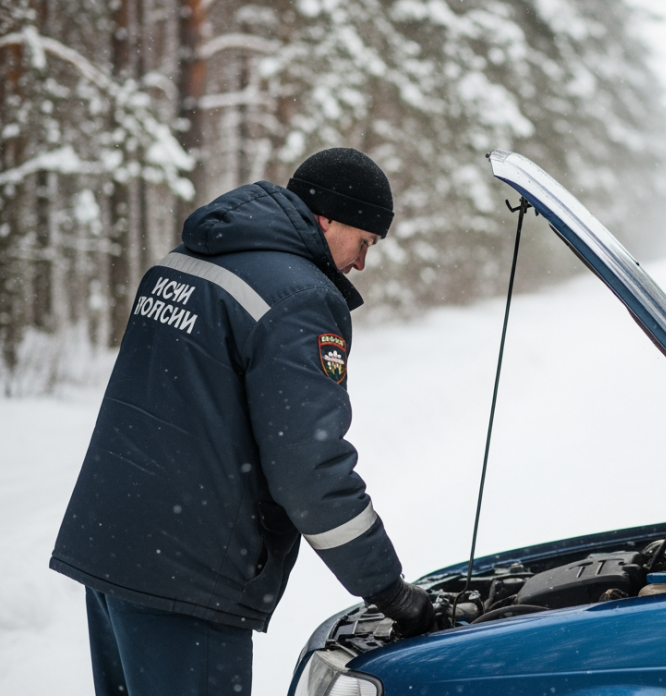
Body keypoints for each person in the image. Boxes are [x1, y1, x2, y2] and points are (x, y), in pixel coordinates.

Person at [50, 148, 436, 695]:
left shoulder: (182, 262)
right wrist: (389, 590)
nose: (360, 263)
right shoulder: (298, 300)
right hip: (188, 578)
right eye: (364, 242)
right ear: (327, 216)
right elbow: (310, 470)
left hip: (112, 546)